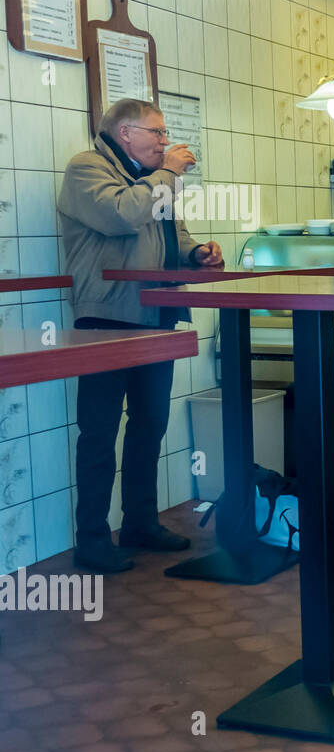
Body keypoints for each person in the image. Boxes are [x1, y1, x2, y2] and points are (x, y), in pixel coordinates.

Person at [57, 97, 224, 573]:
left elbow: (174, 232)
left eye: (165, 134)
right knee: (98, 431)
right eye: (157, 132)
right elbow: (119, 215)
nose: (165, 141)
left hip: (156, 314)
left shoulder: (156, 180)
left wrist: (197, 255)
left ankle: (140, 523)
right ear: (125, 132)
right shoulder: (86, 169)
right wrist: (167, 174)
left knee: (150, 424)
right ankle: (91, 540)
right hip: (106, 319)